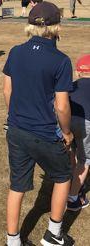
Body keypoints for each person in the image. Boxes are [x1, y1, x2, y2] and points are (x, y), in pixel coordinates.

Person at [3, 2, 75, 246]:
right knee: (64, 176)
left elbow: (7, 90)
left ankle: (13, 241)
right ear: (55, 26)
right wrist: (67, 133)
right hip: (45, 132)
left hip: (16, 129)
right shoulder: (61, 60)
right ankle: (54, 235)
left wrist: (14, 116)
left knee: (17, 185)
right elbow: (62, 106)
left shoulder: (15, 51)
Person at [67, 54, 90, 211]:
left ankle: (71, 181)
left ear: (78, 72)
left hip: (67, 120)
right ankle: (73, 198)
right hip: (86, 122)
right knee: (86, 159)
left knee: (73, 151)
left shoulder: (71, 86)